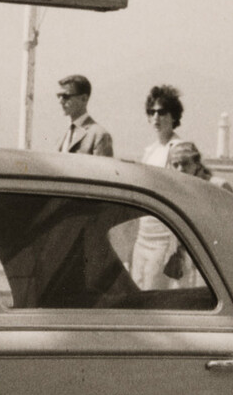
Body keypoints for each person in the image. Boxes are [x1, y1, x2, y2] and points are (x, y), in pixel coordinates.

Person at [128, 85, 187, 288]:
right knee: (138, 289)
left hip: (164, 238)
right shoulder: (150, 150)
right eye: (152, 112)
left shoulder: (179, 149)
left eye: (162, 112)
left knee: (153, 295)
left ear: (173, 116)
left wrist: (177, 248)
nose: (156, 117)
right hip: (143, 235)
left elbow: (185, 198)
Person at [55, 74, 114, 156]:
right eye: (59, 96)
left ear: (84, 99)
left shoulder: (99, 135)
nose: (60, 101)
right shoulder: (62, 135)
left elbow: (102, 168)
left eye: (66, 96)